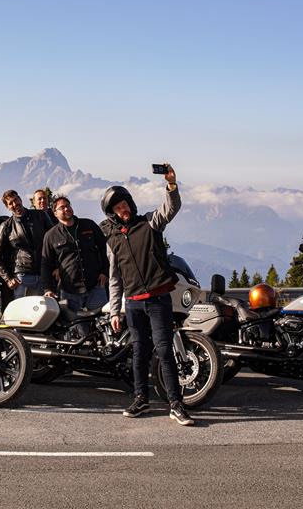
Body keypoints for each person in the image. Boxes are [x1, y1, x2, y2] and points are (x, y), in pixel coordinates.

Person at [101, 165, 194, 426]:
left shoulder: (149, 223)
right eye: (117, 208)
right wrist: (115, 310)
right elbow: (114, 278)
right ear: (113, 213)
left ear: (130, 203)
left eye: (125, 204)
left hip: (157, 299)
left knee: (165, 351)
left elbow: (170, 209)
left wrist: (171, 185)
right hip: (132, 304)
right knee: (139, 353)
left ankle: (176, 404)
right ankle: (140, 398)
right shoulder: (113, 241)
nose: (123, 209)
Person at [41, 195, 108, 312]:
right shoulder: (50, 235)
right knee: (77, 328)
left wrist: (105, 271)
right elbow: (46, 263)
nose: (66, 209)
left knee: (103, 324)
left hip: (96, 286)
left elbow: (104, 248)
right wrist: (48, 288)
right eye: (62, 208)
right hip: (69, 291)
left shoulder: (89, 225)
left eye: (68, 206)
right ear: (55, 213)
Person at [0, 189, 52, 298]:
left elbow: (54, 240)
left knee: (46, 312)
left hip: (44, 273)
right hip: (22, 276)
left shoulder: (40, 215)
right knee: (22, 313)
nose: (15, 204)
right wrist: (8, 279)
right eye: (10, 203)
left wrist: (56, 267)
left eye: (16, 200)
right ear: (7, 207)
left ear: (20, 199)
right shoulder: (6, 226)